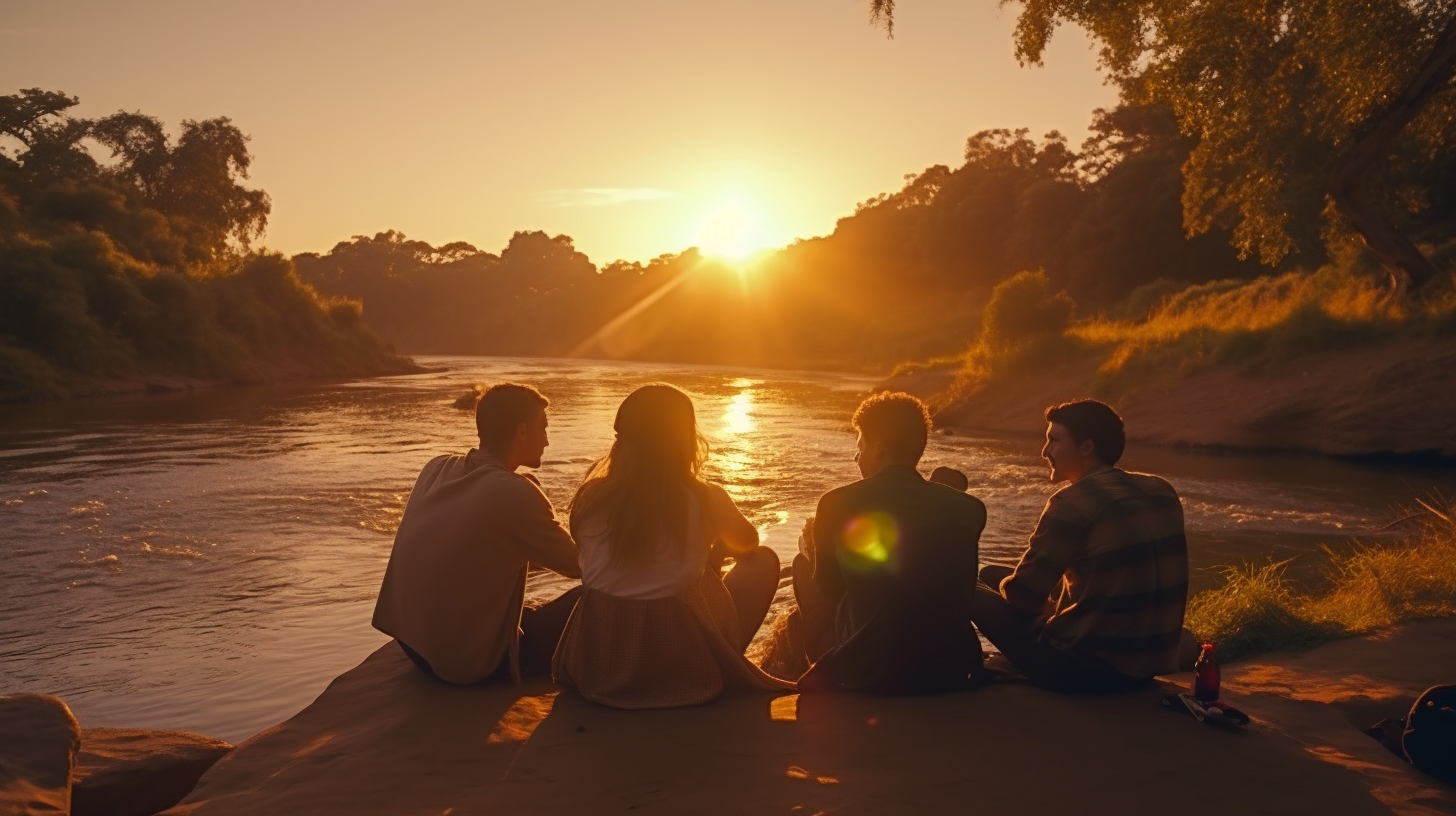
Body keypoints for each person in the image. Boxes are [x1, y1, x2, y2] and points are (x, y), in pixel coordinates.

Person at [552, 383, 792, 708]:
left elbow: (588, 561)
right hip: (682, 673)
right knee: (761, 561)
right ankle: (723, 658)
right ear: (685, 439)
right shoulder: (705, 497)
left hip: (597, 670)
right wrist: (710, 550)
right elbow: (748, 543)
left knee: (685, 578)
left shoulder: (591, 495)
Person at [971, 399, 1188, 693]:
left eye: (1055, 441)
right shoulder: (1161, 490)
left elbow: (1023, 596)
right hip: (1147, 666)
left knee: (967, 584)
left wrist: (1031, 603)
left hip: (1083, 670)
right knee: (993, 574)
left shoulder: (1072, 502)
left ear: (1087, 447)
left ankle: (954, 661)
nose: (1045, 451)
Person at [372, 383, 582, 684]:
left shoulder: (437, 467)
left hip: (412, 644)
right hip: (466, 663)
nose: (547, 440)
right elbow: (582, 566)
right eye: (543, 428)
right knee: (598, 593)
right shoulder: (516, 493)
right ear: (522, 432)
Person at [796, 392, 988, 695]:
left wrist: (813, 549)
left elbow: (830, 589)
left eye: (860, 446)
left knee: (802, 566)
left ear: (878, 447)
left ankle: (819, 661)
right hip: (950, 670)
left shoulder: (836, 503)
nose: (856, 457)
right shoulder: (971, 509)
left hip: (871, 672)